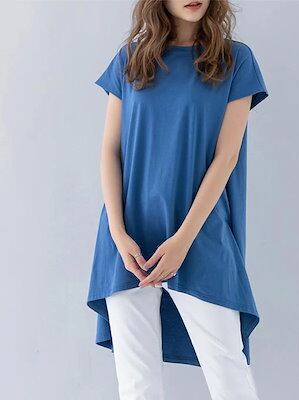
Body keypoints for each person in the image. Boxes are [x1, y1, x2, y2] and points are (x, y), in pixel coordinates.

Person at [87, 0, 269, 399]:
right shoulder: (131, 59)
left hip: (199, 234)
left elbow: (226, 158)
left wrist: (183, 241)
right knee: (137, 384)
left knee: (228, 371)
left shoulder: (235, 60)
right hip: (128, 238)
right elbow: (109, 151)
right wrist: (117, 234)